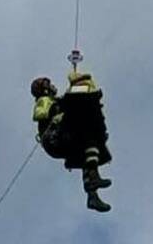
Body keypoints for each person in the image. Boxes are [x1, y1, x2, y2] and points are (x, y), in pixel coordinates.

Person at [31, 71, 113, 212]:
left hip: (60, 140)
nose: (52, 86)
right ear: (44, 89)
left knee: (89, 143)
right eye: (48, 85)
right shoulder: (44, 100)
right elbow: (40, 114)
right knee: (86, 128)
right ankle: (93, 179)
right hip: (54, 138)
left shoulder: (55, 101)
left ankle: (92, 193)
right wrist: (58, 106)